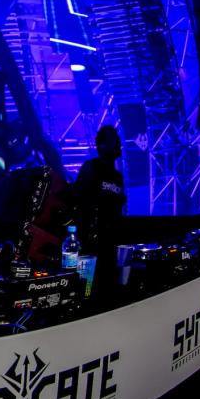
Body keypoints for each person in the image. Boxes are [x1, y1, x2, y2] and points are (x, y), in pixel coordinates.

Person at [74, 125, 126, 303]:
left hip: (110, 246)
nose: (119, 143)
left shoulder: (118, 177)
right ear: (102, 145)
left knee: (108, 294)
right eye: (114, 139)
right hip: (89, 246)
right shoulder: (91, 168)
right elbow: (78, 202)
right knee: (85, 292)